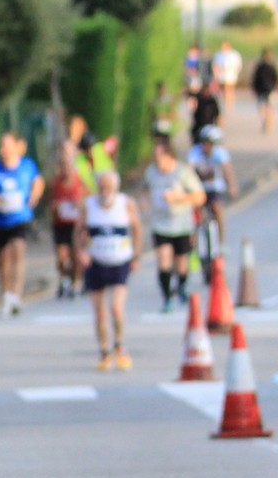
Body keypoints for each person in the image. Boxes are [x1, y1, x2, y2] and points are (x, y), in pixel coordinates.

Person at [0, 130, 44, 316]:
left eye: (6, 145)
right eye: (0, 145)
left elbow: (38, 182)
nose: (2, 149)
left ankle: (16, 294)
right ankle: (6, 293)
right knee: (2, 258)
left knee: (18, 250)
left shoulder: (27, 166)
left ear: (15, 147)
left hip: (20, 218)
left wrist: (34, 197)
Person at [78, 168, 141, 370]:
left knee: (116, 308)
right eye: (102, 186)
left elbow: (137, 229)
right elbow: (78, 231)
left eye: (109, 186)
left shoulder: (126, 204)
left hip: (120, 261)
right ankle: (104, 351)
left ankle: (120, 346)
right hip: (96, 261)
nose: (105, 190)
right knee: (99, 313)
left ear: (116, 187)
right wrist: (81, 251)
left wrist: (136, 255)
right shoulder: (88, 205)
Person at [143, 135, 203, 312]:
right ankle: (167, 297)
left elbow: (199, 196)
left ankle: (182, 285)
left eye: (159, 157)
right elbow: (145, 190)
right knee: (163, 261)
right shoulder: (151, 172)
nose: (157, 161)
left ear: (169, 156)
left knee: (181, 263)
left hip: (181, 224)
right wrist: (144, 202)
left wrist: (178, 197)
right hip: (160, 225)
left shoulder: (183, 172)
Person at [49, 143, 88, 300]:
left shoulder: (80, 182)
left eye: (67, 166)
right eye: (62, 166)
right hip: (60, 224)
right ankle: (64, 278)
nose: (65, 169)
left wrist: (80, 207)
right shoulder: (55, 183)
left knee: (76, 255)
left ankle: (76, 282)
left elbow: (86, 202)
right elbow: (50, 203)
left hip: (76, 225)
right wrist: (55, 207)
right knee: (61, 256)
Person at [188, 125, 236, 243]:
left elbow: (227, 171)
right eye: (204, 142)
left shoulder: (220, 153)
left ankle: (220, 242)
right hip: (199, 189)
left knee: (217, 209)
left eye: (209, 143)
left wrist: (232, 186)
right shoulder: (195, 152)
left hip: (215, 189)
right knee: (194, 214)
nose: (206, 146)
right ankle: (193, 244)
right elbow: (188, 171)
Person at [251, 47, 278, 134]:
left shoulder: (269, 66)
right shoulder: (261, 67)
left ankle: (268, 123)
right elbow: (255, 79)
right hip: (263, 90)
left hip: (269, 90)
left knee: (268, 108)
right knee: (265, 108)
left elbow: (276, 79)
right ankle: (266, 122)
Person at [212, 39, 243, 115]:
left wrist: (235, 72)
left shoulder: (234, 54)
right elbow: (215, 65)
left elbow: (238, 65)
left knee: (229, 89)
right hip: (221, 75)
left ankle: (229, 103)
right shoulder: (219, 54)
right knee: (222, 90)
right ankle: (224, 102)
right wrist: (216, 73)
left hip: (230, 75)